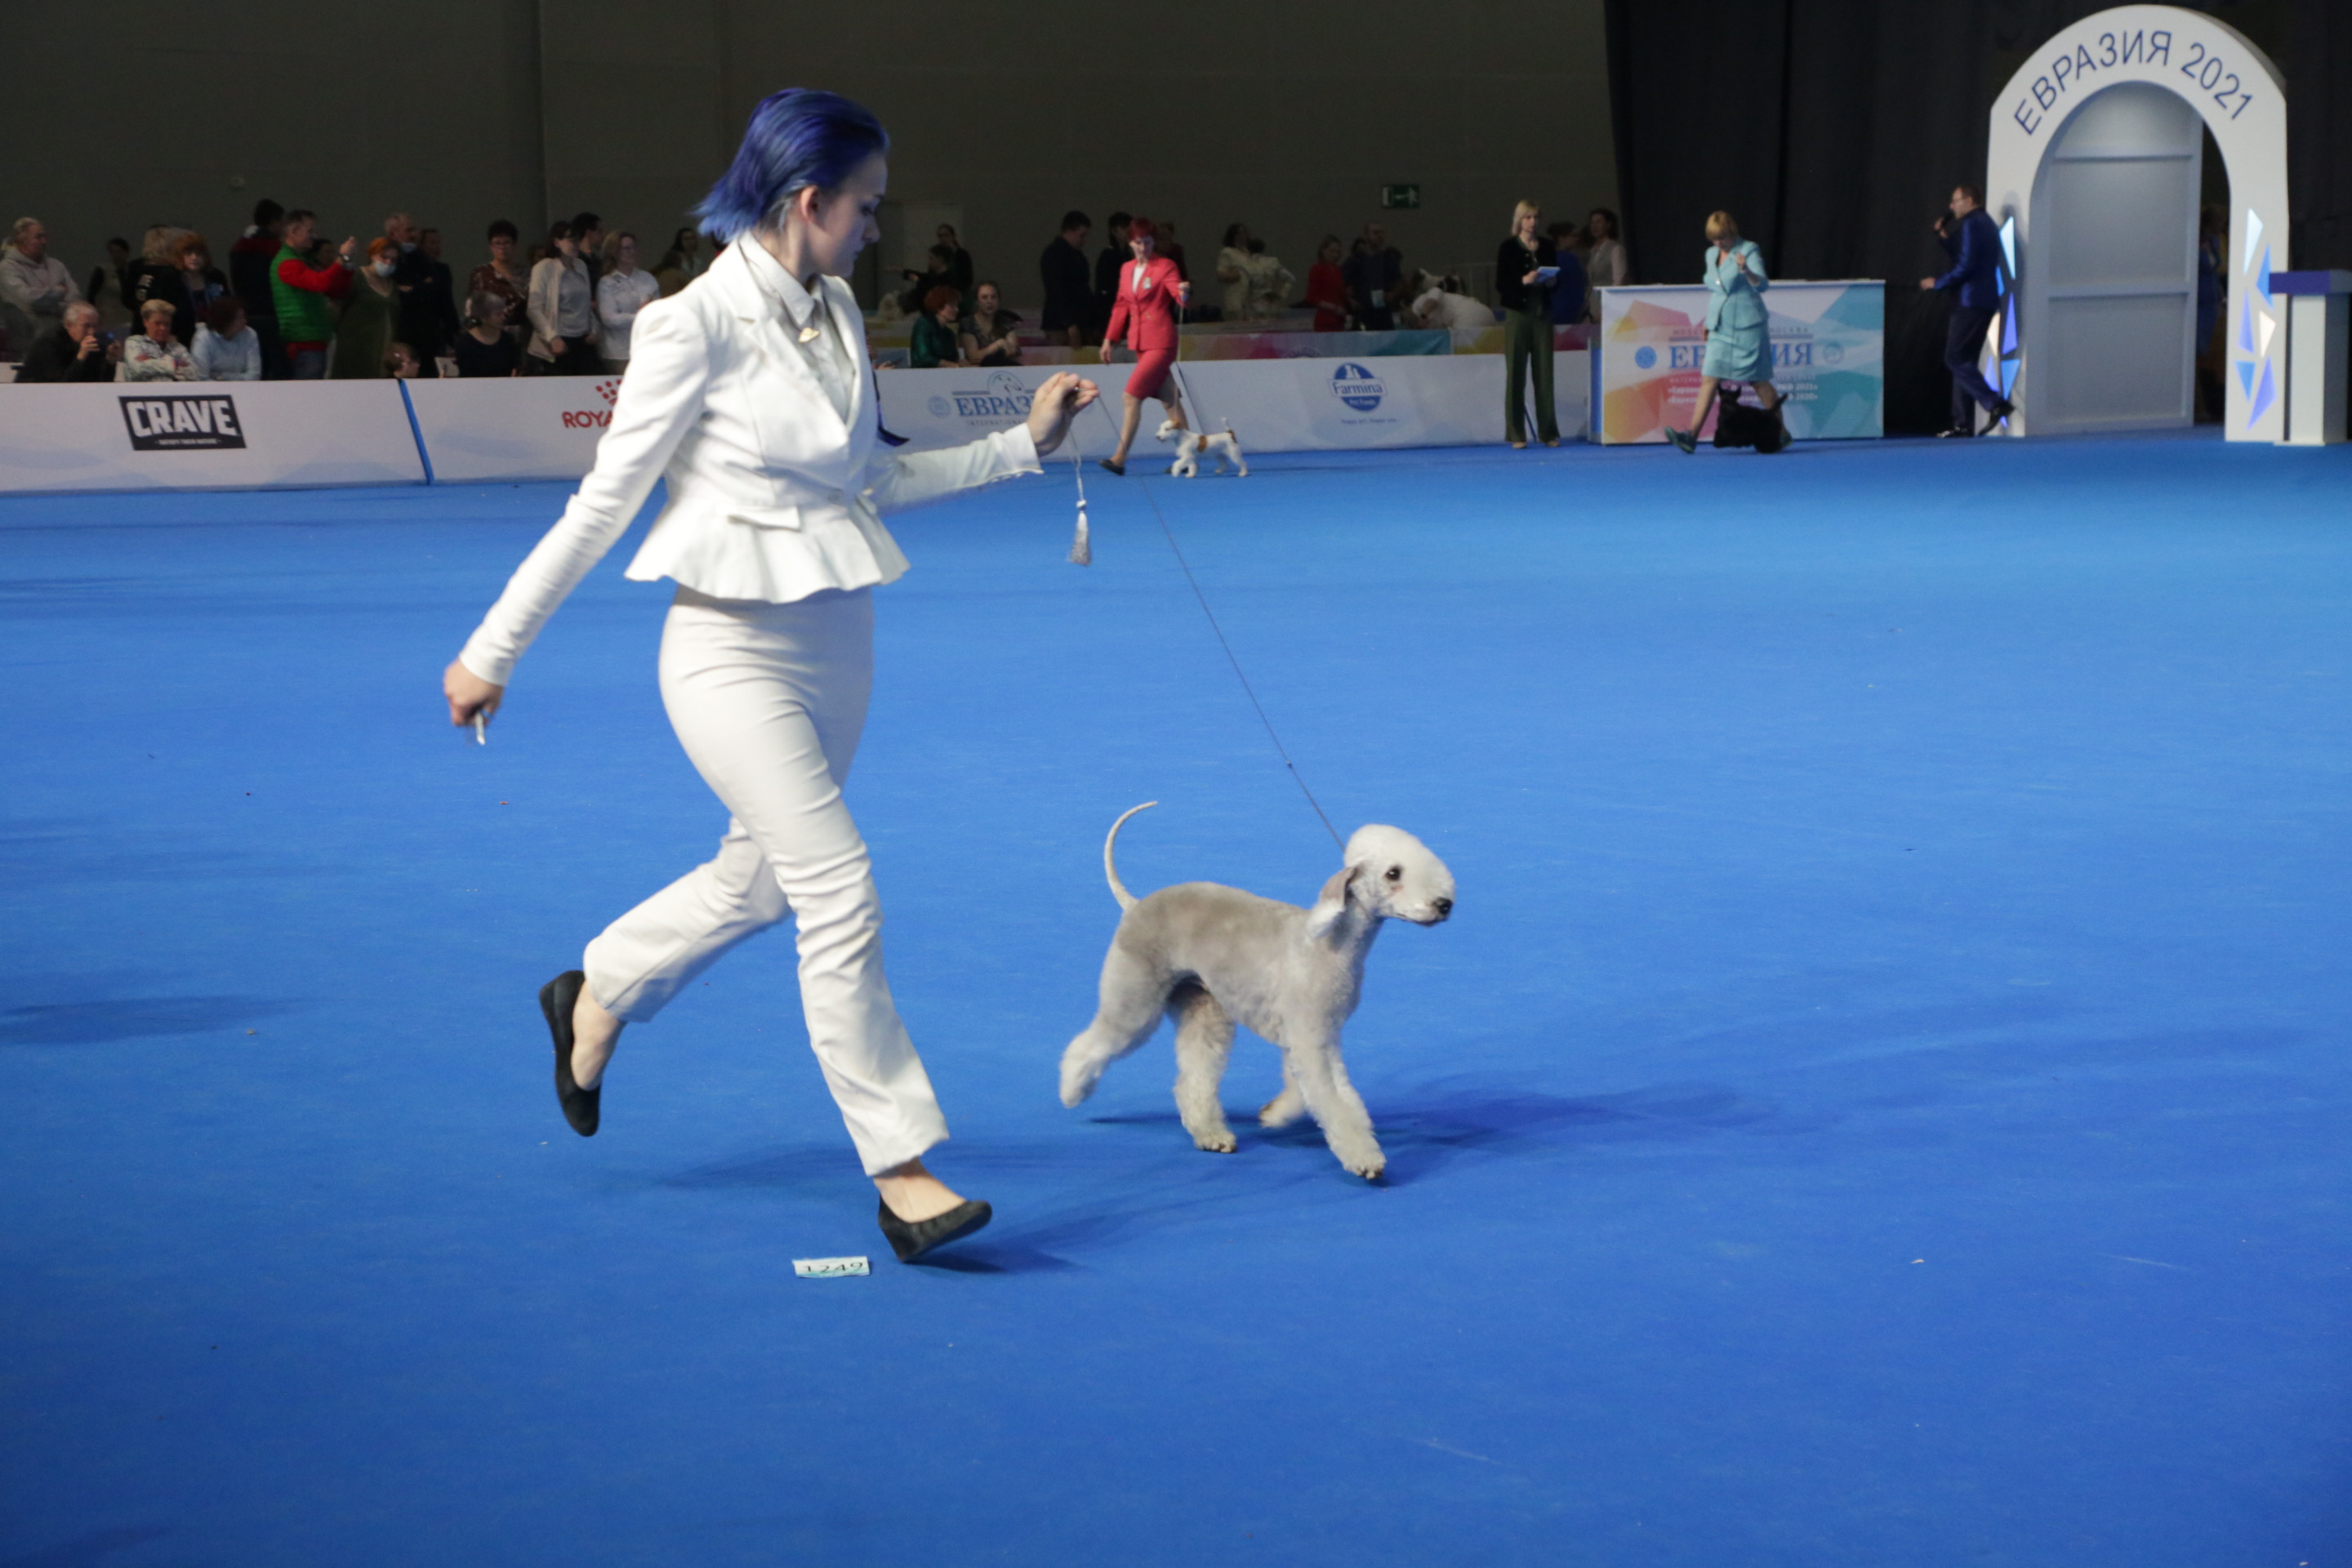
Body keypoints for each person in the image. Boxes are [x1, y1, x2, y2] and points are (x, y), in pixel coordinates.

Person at [437, 87, 1100, 1265]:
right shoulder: (689, 326)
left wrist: (1022, 446)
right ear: (806, 202)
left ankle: (595, 992)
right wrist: (492, 650)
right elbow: (605, 506)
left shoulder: (838, 307)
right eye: (865, 208)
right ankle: (901, 1170)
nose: (874, 230)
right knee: (838, 886)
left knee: (762, 880)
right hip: (724, 653)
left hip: (841, 641)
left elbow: (868, 484)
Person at [1667, 211, 1783, 453]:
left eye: (1724, 238)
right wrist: (1710, 324)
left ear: (1733, 233)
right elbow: (1717, 290)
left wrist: (1746, 271)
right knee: (1709, 378)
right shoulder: (1711, 254)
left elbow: (1762, 285)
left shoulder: (1749, 249)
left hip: (1748, 327)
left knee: (1759, 380)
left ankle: (1780, 433)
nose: (1719, 243)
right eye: (1714, 239)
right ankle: (1691, 436)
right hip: (1719, 326)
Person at [1096, 215, 1189, 475]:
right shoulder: (1126, 269)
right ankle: (1188, 457)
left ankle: (1119, 458)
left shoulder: (1165, 266)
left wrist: (1183, 293)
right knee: (1170, 402)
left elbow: (1178, 295)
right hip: (1139, 342)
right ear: (1130, 242)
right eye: (1138, 242)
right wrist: (1109, 339)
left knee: (1131, 396)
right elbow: (1121, 305)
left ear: (1153, 241)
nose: (1142, 248)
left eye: (1147, 242)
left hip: (1161, 342)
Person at [1917, 184, 2011, 438]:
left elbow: (1966, 265)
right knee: (1963, 361)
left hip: (1970, 302)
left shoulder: (1972, 223)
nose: (1951, 206)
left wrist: (1938, 283)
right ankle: (1963, 424)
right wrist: (1944, 238)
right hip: (1983, 300)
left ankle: (1994, 403)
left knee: (1955, 358)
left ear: (1969, 200)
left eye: (1955, 201)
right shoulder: (1985, 223)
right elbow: (1965, 256)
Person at [1495, 200, 1560, 448]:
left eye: (1536, 217)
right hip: (1518, 313)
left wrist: (1551, 282)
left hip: (1542, 313)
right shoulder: (1508, 247)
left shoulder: (1547, 246)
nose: (1532, 222)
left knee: (1545, 374)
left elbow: (1556, 276)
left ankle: (1548, 432)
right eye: (1528, 218)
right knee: (1516, 374)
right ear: (1519, 220)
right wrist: (1523, 280)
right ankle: (1516, 432)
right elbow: (1501, 284)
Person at [271, 210, 359, 379]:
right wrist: (341, 258)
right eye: (310, 231)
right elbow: (319, 284)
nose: (314, 236)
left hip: (312, 341)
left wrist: (345, 267)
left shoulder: (299, 261)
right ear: (294, 232)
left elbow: (334, 291)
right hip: (303, 343)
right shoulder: (287, 263)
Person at [2, 216, 83, 361]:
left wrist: (50, 304)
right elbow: (29, 300)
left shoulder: (57, 266)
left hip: (62, 345)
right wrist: (60, 292)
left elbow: (76, 301)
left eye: (45, 236)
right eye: (38, 237)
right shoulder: (7, 268)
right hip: (27, 348)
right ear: (22, 240)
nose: (44, 241)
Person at [525, 220, 599, 374]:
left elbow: (586, 304)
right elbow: (533, 309)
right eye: (571, 240)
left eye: (578, 240)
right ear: (557, 242)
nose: (576, 244)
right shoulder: (544, 268)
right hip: (558, 340)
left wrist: (594, 328)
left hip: (582, 339)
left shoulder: (581, 265)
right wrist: (552, 338)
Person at [136, 231, 229, 346]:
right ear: (180, 256)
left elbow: (229, 306)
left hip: (216, 337)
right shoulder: (169, 278)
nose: (194, 258)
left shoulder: (216, 277)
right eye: (189, 254)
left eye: (199, 254)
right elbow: (161, 310)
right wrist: (168, 335)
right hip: (181, 338)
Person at [229, 200, 288, 376]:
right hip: (270, 314)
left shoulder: (239, 246)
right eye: (282, 222)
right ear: (274, 221)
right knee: (275, 368)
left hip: (246, 315)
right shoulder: (277, 250)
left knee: (252, 367)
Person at [331, 237, 405, 379]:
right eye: (384, 257)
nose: (388, 263)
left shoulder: (392, 286)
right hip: (356, 346)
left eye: (393, 260)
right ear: (372, 255)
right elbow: (336, 304)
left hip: (384, 348)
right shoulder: (357, 278)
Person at [596, 232, 661, 372]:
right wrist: (640, 315)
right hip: (618, 352)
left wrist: (630, 316)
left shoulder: (647, 279)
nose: (632, 252)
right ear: (615, 252)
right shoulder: (607, 282)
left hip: (646, 349)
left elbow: (658, 312)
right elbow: (609, 319)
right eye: (626, 248)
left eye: (633, 248)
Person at [12, 300, 117, 382]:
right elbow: (60, 385)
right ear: (69, 325)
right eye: (86, 326)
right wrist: (80, 357)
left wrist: (110, 362)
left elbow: (101, 384)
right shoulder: (48, 343)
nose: (92, 332)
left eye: (95, 326)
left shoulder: (93, 342)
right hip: (33, 397)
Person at [469, 220, 529, 343]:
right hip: (492, 336)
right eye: (497, 243)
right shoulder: (481, 274)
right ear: (491, 246)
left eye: (507, 243)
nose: (502, 247)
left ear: (515, 245)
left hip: (525, 334)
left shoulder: (528, 273)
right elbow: (473, 310)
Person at [1038, 210, 1091, 348]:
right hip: (1060, 324)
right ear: (1070, 231)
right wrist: (1069, 324)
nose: (1084, 240)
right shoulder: (1053, 255)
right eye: (1082, 235)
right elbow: (1055, 292)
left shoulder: (1078, 256)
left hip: (1077, 321)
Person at [408, 227, 461, 367]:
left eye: (438, 243)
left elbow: (447, 304)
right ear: (420, 246)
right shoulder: (410, 270)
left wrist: (454, 333)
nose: (437, 247)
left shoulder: (443, 270)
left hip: (435, 332)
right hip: (413, 330)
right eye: (432, 243)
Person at [120, 298, 199, 381]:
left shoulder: (178, 348)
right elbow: (137, 368)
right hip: (142, 393)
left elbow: (195, 374)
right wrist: (175, 364)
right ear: (145, 322)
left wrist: (151, 362)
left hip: (175, 393)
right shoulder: (135, 343)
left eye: (167, 324)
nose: (163, 328)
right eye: (157, 323)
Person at [1343, 221, 1402, 331]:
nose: (1379, 236)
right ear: (1366, 236)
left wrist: (1392, 295)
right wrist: (1350, 300)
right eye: (1375, 233)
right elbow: (1343, 284)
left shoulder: (1389, 259)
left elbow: (1399, 282)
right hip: (1362, 313)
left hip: (1384, 313)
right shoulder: (1356, 260)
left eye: (1382, 233)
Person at [452, 290, 522, 376]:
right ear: (483, 317)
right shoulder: (465, 342)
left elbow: (514, 369)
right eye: (498, 314)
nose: (503, 318)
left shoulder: (508, 340)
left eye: (503, 313)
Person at [192, 296, 262, 381]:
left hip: (244, 388)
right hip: (213, 390)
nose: (245, 321)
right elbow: (201, 378)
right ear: (226, 322)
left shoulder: (250, 334)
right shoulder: (203, 339)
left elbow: (254, 376)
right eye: (239, 319)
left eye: (244, 317)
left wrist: (222, 376)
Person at [959, 281, 1022, 367]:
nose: (990, 301)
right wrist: (997, 345)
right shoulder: (968, 323)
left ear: (999, 300)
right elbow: (973, 357)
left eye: (993, 297)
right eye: (984, 297)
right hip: (977, 372)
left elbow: (1013, 351)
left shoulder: (1007, 321)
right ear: (977, 301)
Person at [1091, 211, 1131, 344]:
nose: (1128, 231)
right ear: (1114, 230)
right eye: (1124, 228)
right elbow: (1103, 289)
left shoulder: (1129, 256)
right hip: (1111, 313)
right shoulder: (1107, 256)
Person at [1583, 207, 1628, 318]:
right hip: (1593, 303)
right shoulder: (1592, 251)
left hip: (1609, 303)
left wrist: (1609, 306)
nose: (1595, 226)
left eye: (1599, 222)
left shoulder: (1615, 249)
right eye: (1592, 223)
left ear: (1608, 225)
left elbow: (1618, 281)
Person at [1544, 220, 1589, 328]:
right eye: (1573, 236)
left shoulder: (1572, 257)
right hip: (1563, 308)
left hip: (1571, 306)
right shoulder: (1563, 259)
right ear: (1561, 238)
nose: (1577, 239)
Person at [88, 238, 136, 334]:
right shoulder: (102, 270)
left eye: (119, 252)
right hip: (107, 319)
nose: (115, 255)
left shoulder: (132, 270)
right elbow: (91, 296)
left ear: (126, 253)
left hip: (128, 318)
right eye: (112, 252)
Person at [908, 284, 963, 367]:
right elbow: (923, 357)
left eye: (956, 305)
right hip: (923, 375)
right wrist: (951, 365)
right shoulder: (923, 324)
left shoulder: (949, 334)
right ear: (939, 305)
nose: (957, 309)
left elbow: (954, 358)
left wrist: (960, 363)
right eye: (952, 305)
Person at [1303, 236, 1348, 331]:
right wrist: (1334, 308)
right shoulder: (1317, 269)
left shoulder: (1338, 271)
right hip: (1325, 321)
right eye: (1332, 251)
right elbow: (1311, 297)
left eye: (1338, 252)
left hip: (1339, 321)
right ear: (1323, 251)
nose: (1336, 255)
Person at [1216, 224, 1256, 321]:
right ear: (1233, 236)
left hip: (1249, 297)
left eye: (1244, 233)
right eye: (1239, 233)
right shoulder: (1227, 252)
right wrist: (1235, 276)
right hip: (1235, 297)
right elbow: (1221, 274)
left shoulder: (1247, 253)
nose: (1243, 236)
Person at [653, 227, 702, 296]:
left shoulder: (698, 262)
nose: (690, 242)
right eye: (687, 239)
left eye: (693, 238)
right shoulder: (674, 259)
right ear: (680, 241)